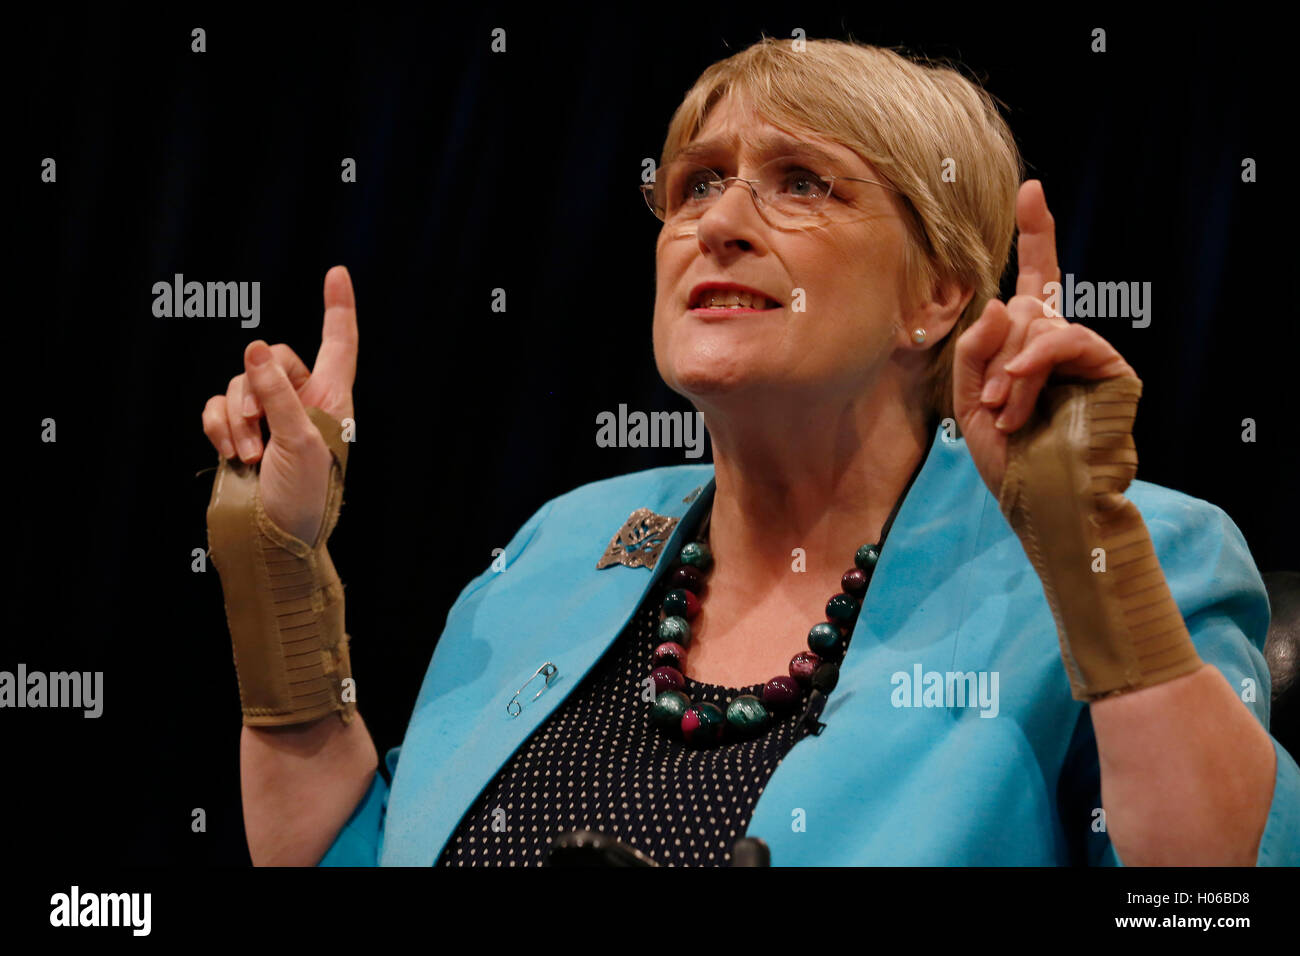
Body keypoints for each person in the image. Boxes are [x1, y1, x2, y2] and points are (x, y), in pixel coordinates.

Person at [201, 37, 1300, 866]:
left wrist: (1085, 546)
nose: (716, 223)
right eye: (694, 183)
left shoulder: (1134, 550)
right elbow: (345, 851)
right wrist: (277, 573)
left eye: (801, 182)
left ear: (937, 293)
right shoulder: (562, 543)